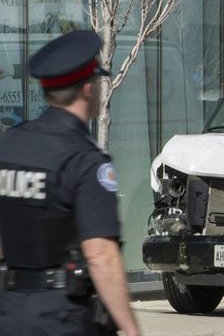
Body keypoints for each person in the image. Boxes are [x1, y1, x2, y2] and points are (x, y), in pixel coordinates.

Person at [0, 30, 140, 336]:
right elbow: (100, 254)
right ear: (88, 89)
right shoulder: (86, 160)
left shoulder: (10, 146)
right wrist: (131, 330)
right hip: (60, 318)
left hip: (10, 312)